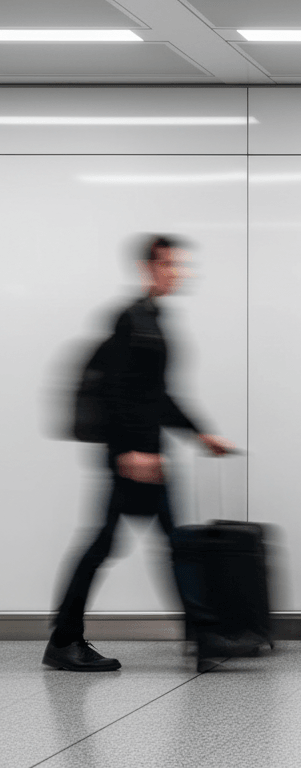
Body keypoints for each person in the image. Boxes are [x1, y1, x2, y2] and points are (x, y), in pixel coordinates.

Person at [44, 235, 241, 672]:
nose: (178, 273)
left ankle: (204, 636)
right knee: (110, 544)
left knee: (167, 542)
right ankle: (64, 640)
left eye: (180, 266)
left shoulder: (152, 318)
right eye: (170, 265)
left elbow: (157, 395)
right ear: (147, 268)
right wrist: (132, 450)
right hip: (134, 456)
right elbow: (116, 391)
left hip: (147, 452)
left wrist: (200, 434)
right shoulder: (132, 319)